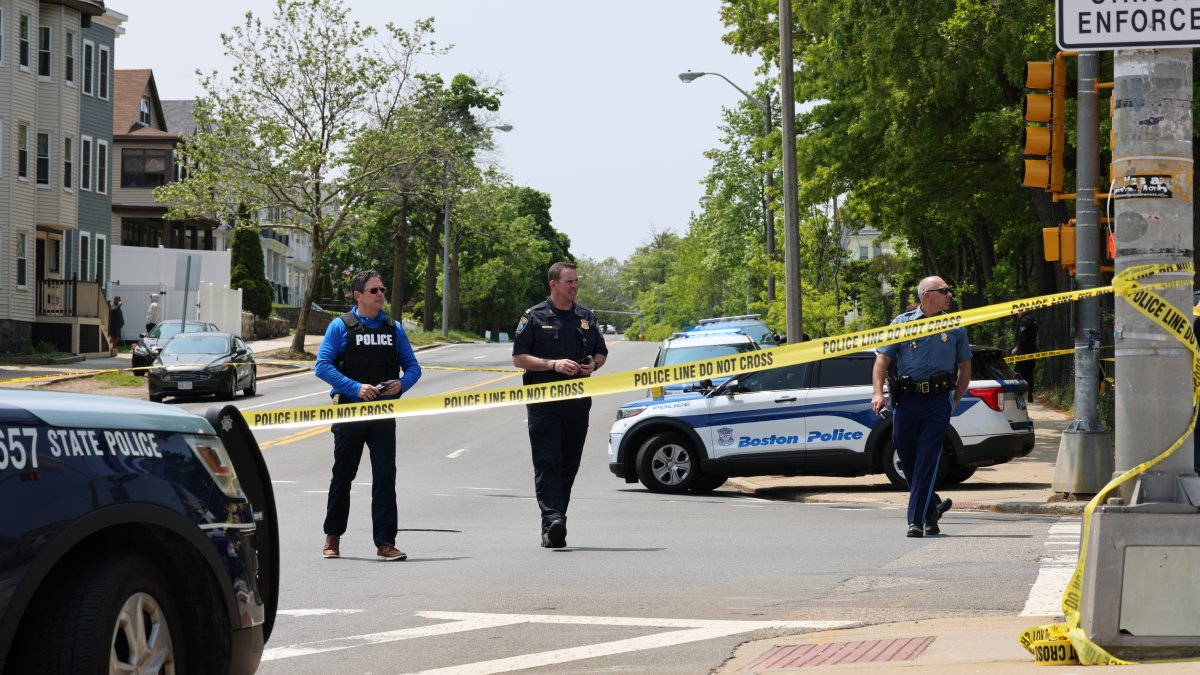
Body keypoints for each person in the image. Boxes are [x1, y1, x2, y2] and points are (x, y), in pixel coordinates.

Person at [315, 270, 421, 562]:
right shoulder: (340, 326)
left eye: (382, 289)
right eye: (374, 290)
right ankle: (333, 537)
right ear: (357, 295)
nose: (380, 294)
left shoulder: (393, 328)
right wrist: (355, 387)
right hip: (350, 411)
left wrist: (402, 384)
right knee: (343, 476)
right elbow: (322, 366)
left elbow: (414, 368)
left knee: (385, 476)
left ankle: (386, 542)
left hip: (383, 412)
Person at [512, 262, 608, 548]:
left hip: (577, 402)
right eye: (569, 282)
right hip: (544, 403)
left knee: (569, 463)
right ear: (553, 285)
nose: (575, 286)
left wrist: (593, 365)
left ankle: (556, 522)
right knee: (548, 462)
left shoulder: (586, 317)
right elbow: (519, 358)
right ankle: (552, 519)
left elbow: (600, 352)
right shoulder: (533, 317)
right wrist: (552, 364)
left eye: (576, 281)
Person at [871, 276, 968, 538]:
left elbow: (965, 368)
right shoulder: (900, 325)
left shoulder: (955, 326)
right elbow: (882, 359)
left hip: (938, 402)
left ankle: (915, 521)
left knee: (927, 459)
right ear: (927, 295)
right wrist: (878, 392)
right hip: (907, 400)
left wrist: (954, 401)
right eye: (944, 291)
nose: (949, 295)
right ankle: (932, 508)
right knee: (909, 459)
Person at [1012, 310, 1038, 403]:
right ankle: (1029, 396)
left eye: (1019, 310)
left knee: (1018, 373)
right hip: (1031, 351)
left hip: (1025, 352)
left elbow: (1023, 335)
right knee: (1029, 374)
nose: (1017, 313)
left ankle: (1019, 396)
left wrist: (1017, 346)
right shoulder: (1032, 319)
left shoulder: (1025, 320)